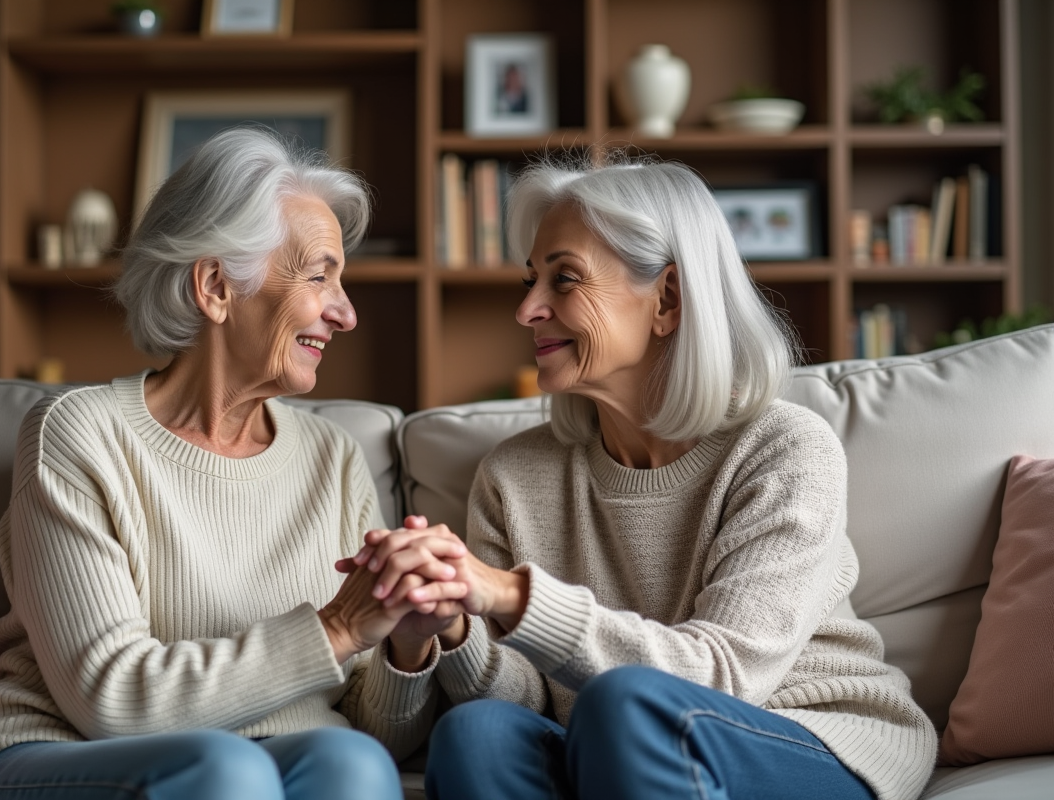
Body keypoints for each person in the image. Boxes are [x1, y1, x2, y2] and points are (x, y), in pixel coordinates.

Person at [344, 155, 939, 800]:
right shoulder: (514, 477)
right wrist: (453, 622)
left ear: (668, 299)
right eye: (530, 281)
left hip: (806, 740)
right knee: (477, 732)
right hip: (615, 747)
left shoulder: (784, 449)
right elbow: (527, 697)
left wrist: (511, 595)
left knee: (624, 702)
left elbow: (724, 675)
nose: (526, 310)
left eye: (564, 280)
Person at [0, 128, 466, 800]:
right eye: (318, 276)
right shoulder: (79, 434)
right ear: (216, 285)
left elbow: (368, 729)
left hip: (259, 761)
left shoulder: (333, 457)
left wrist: (407, 642)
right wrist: (336, 627)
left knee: (352, 765)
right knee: (226, 772)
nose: (346, 313)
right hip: (52, 754)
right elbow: (112, 700)